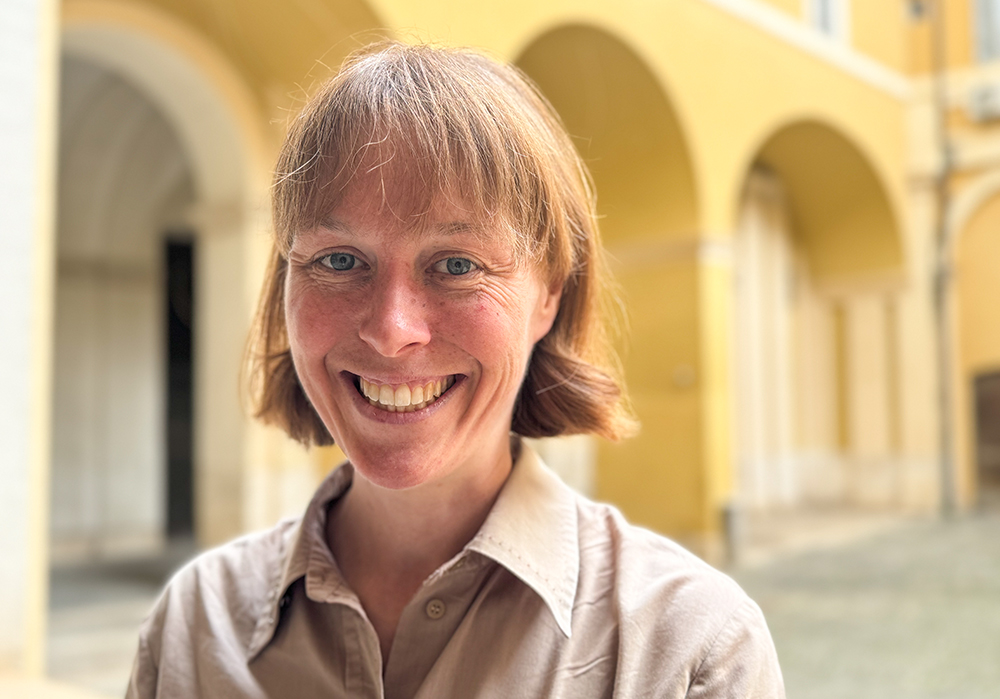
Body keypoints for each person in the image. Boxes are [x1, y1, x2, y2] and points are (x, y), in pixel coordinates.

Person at [127, 42, 784, 698]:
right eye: (340, 260)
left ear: (549, 294)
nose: (390, 331)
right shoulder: (193, 626)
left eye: (458, 264)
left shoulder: (687, 651)